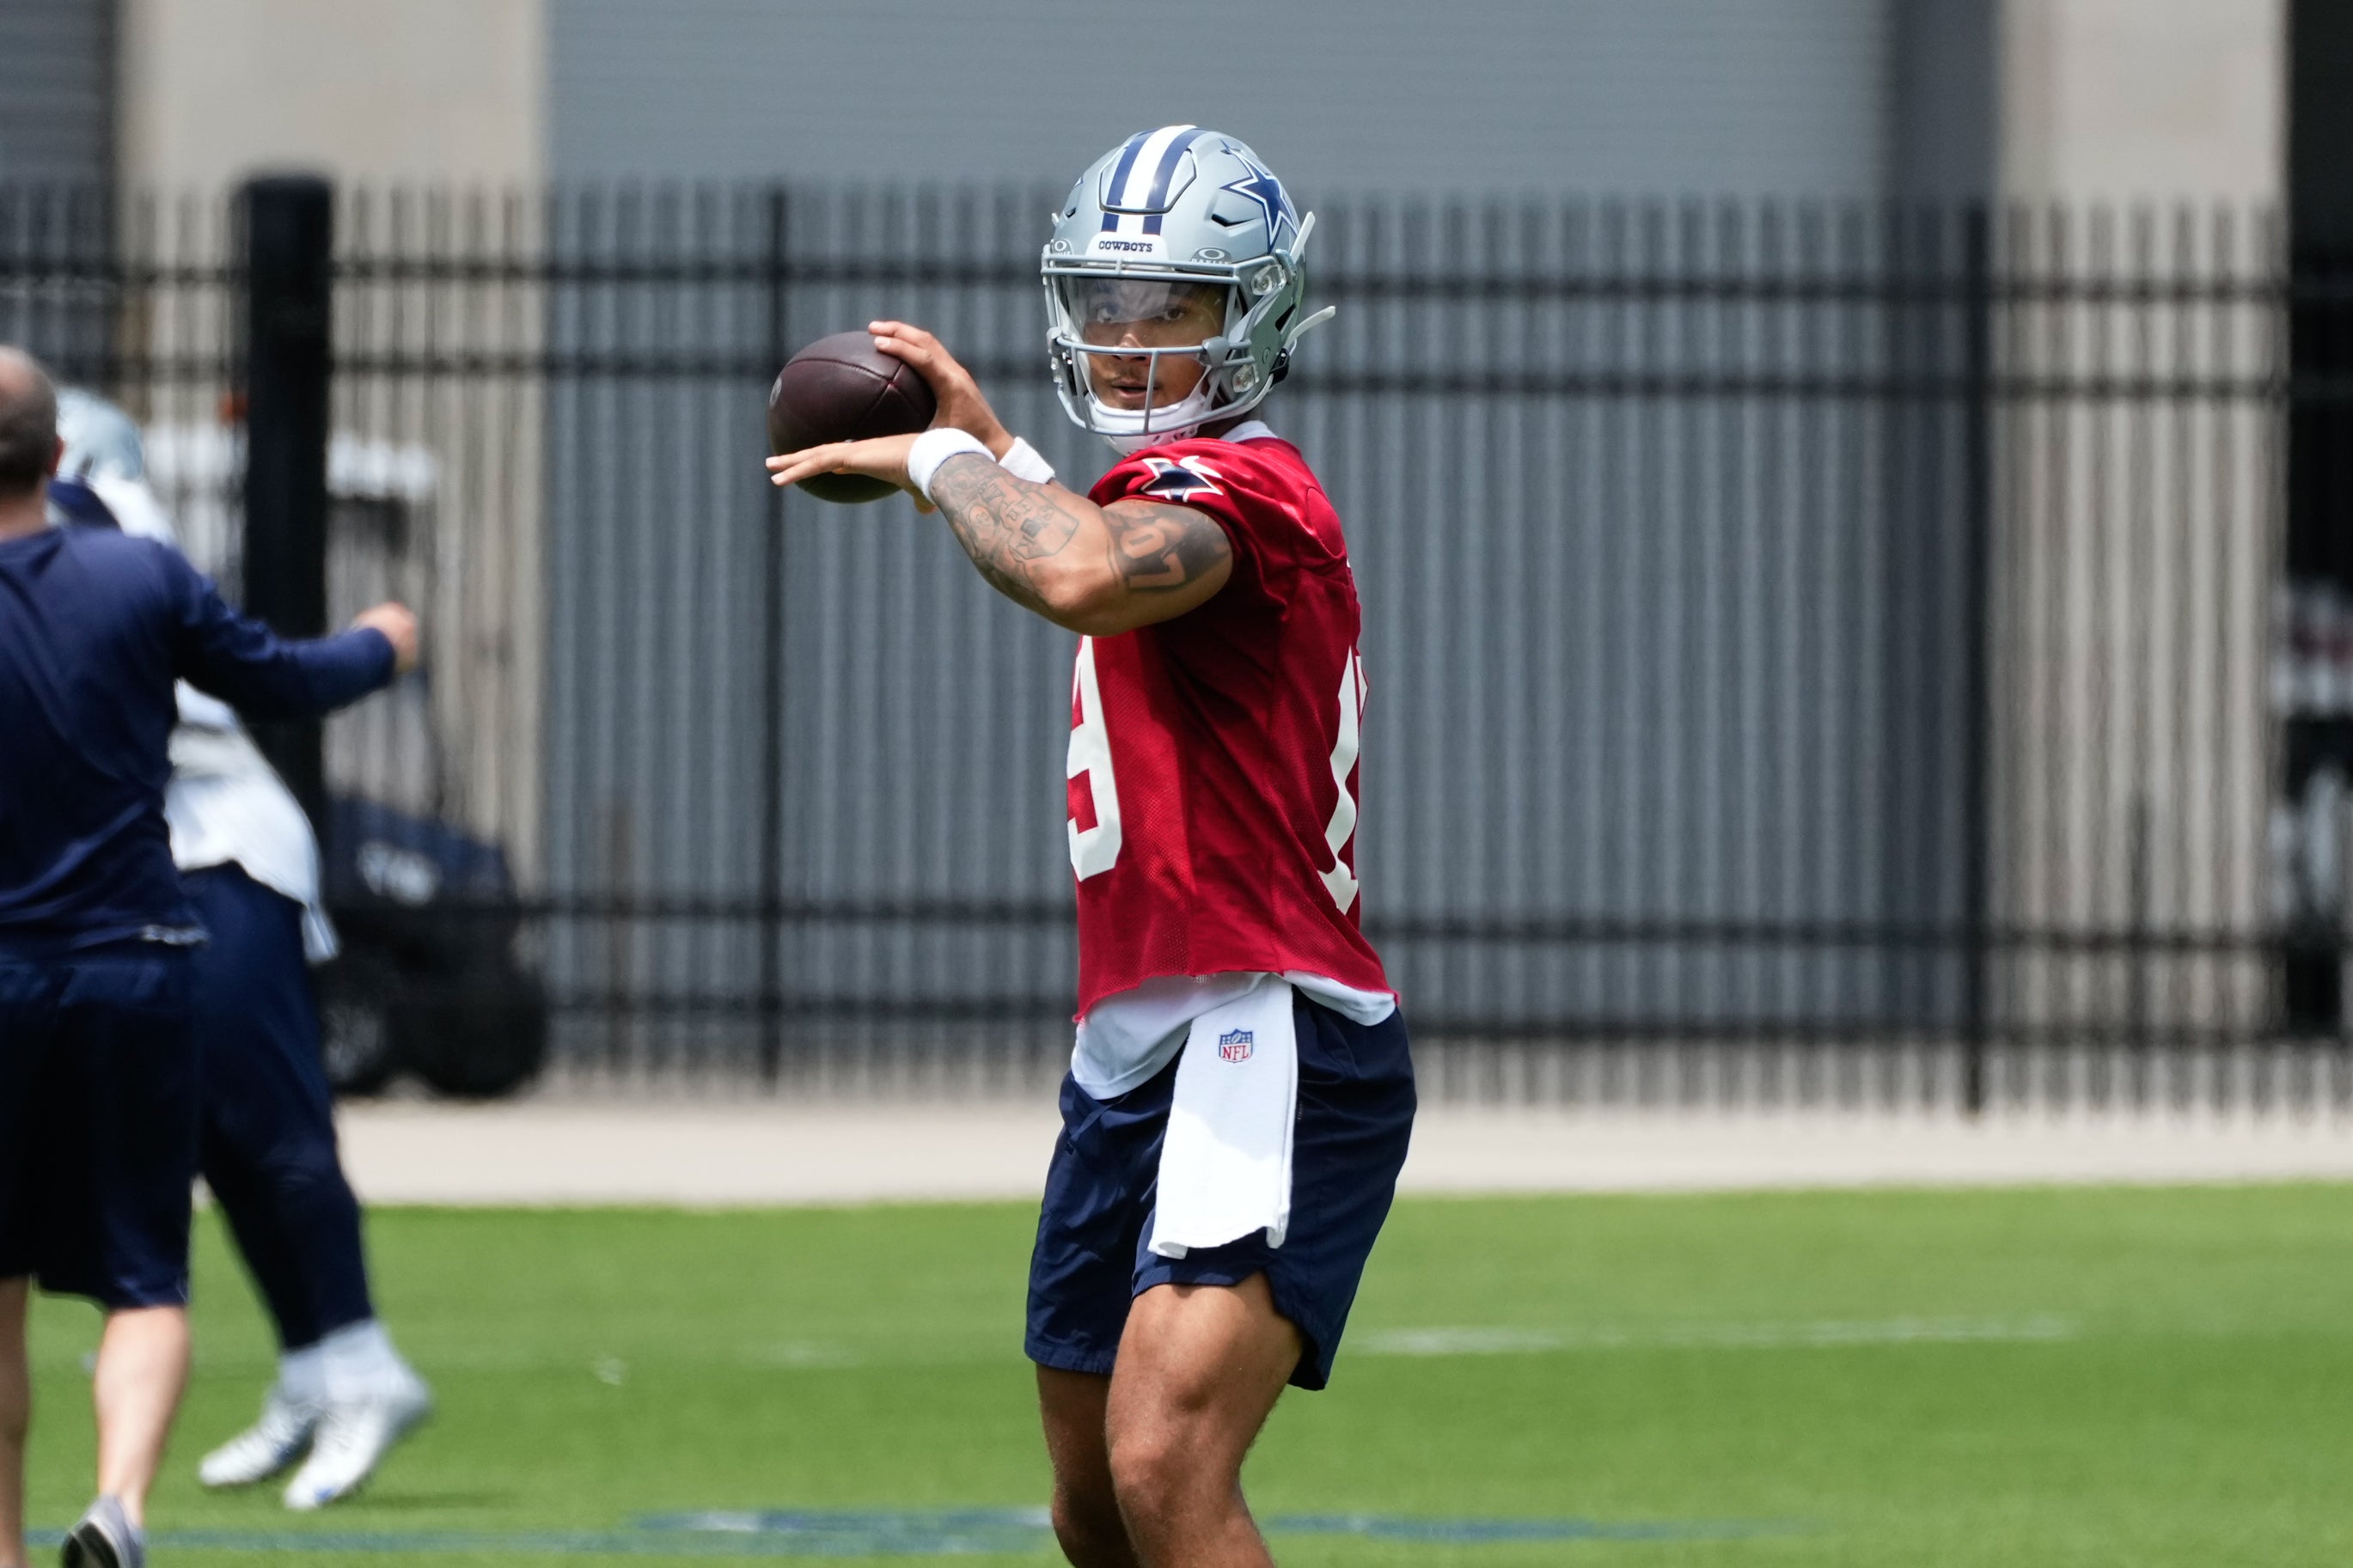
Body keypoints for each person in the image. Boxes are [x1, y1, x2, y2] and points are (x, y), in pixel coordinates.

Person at [767, 128, 1413, 1568]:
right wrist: (996, 449)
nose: (1129, 344)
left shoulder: (1256, 490)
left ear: (1254, 315)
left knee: (1165, 1463)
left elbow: (1076, 571)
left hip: (1269, 1017)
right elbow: (1086, 529)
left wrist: (943, 462)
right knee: (1092, 1509)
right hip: (1132, 1045)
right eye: (1106, 305)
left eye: (1172, 308)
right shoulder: (1148, 488)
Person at [0, 347, 417, 1568]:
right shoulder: (138, 575)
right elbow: (283, 678)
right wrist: (382, 642)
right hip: (136, 959)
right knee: (143, 1277)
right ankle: (119, 1506)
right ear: (63, 455)